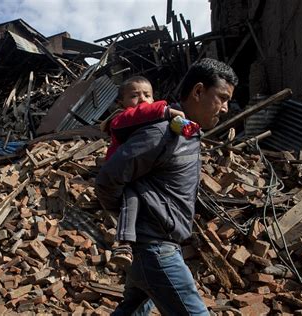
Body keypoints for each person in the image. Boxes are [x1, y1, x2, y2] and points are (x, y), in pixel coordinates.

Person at [95, 58, 238, 315]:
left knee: (133, 310)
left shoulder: (186, 133)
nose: (226, 108)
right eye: (222, 98)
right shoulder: (162, 131)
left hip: (154, 249)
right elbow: (108, 178)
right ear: (198, 91)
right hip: (157, 249)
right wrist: (129, 213)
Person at [101, 76, 198, 268]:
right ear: (121, 102)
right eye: (134, 96)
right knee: (132, 196)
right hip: (124, 173)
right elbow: (137, 115)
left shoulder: (153, 121)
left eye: (147, 95)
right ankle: (124, 243)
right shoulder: (121, 118)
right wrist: (164, 110)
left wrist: (184, 126)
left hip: (145, 174)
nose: (143, 99)